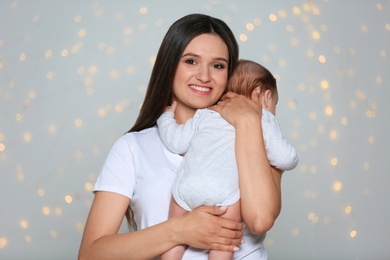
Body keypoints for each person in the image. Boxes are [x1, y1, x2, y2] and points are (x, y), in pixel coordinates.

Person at [78, 13, 283, 260]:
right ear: (169, 65)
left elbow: (260, 219)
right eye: (191, 61)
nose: (204, 76)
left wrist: (249, 120)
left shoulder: (262, 140)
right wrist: (179, 231)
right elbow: (90, 255)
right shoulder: (132, 149)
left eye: (218, 65)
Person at [157, 59, 299, 260]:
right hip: (224, 196)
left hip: (186, 187)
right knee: (224, 240)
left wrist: (166, 118)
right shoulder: (262, 117)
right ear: (265, 97)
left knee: (173, 236)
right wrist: (294, 158)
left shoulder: (205, 114)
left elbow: (175, 142)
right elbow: (285, 158)